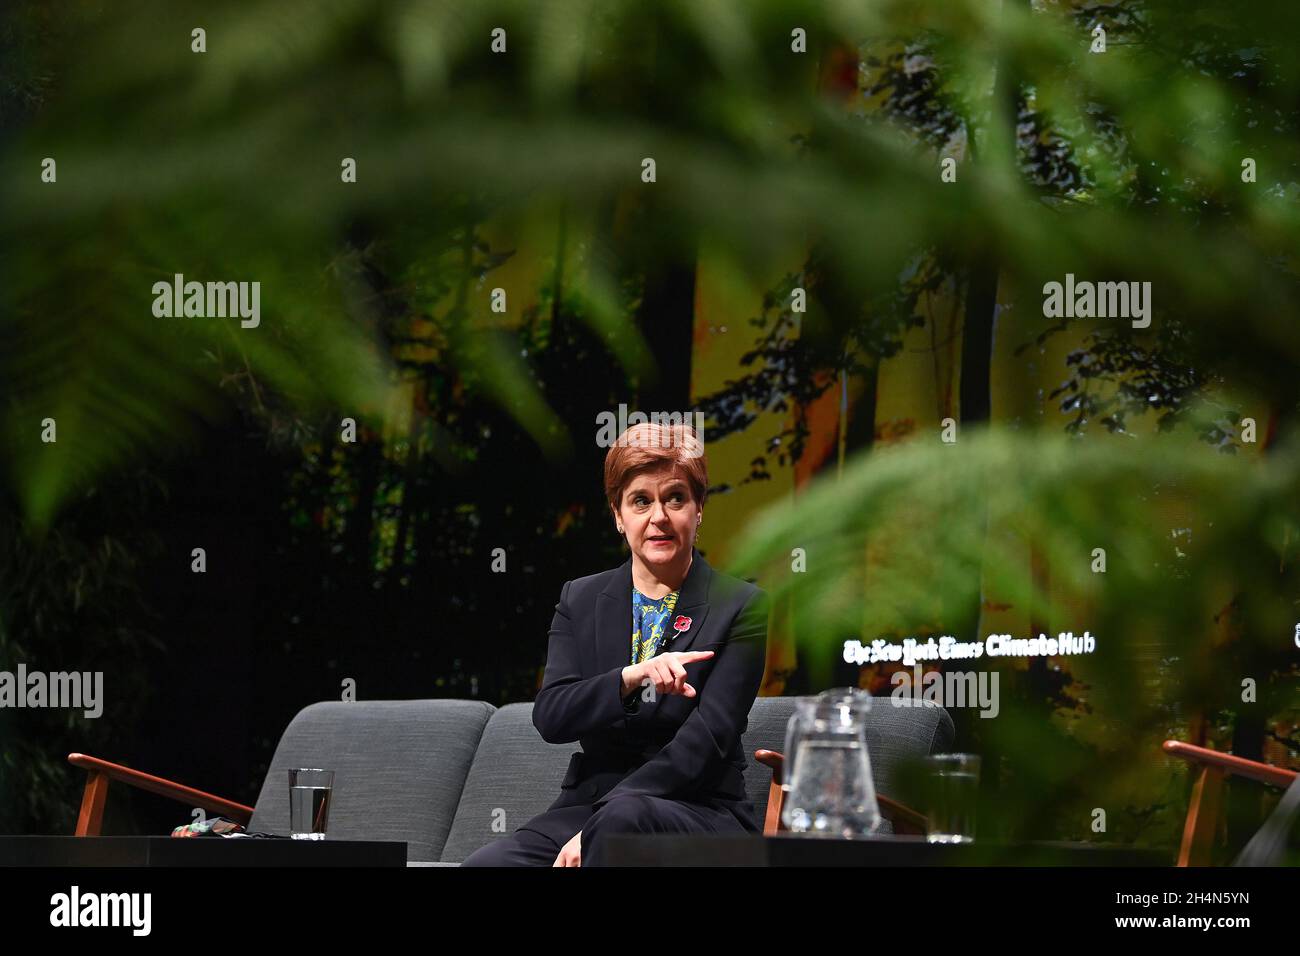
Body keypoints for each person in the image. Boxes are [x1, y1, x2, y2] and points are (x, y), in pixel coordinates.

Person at [461, 421, 771, 866]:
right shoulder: (579, 598)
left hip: (698, 809)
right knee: (486, 865)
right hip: (587, 805)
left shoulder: (741, 606)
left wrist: (601, 823)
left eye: (675, 498)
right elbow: (552, 716)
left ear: (698, 509)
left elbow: (708, 741)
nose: (658, 517)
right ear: (618, 515)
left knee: (619, 821)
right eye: (640, 501)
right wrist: (630, 677)